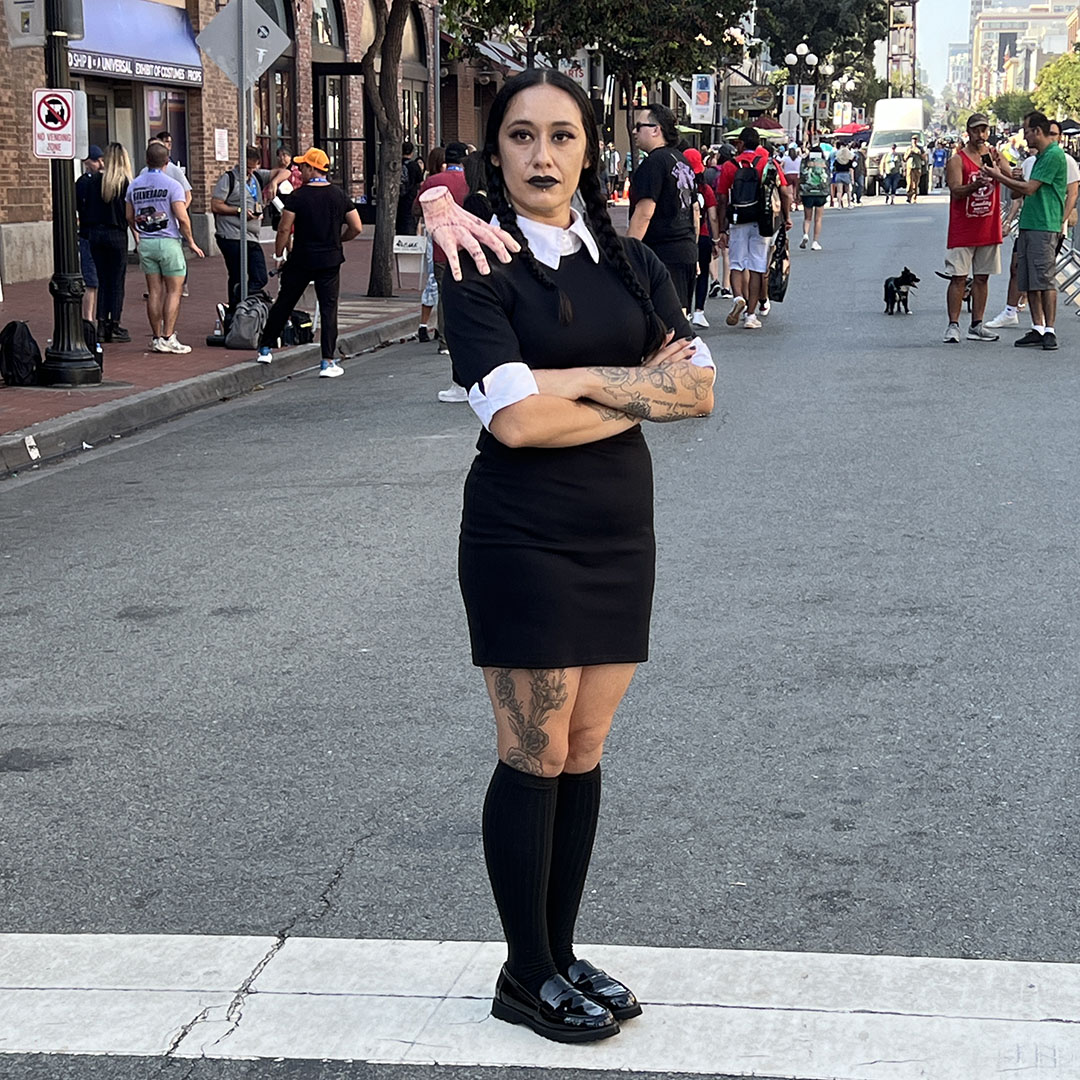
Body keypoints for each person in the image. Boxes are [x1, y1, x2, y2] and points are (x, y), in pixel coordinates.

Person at [421, 65, 714, 1047]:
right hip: (523, 537)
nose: (541, 155)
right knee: (533, 750)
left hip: (619, 533)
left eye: (561, 135)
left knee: (583, 748)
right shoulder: (478, 262)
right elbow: (514, 423)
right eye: (520, 136)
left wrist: (567, 386)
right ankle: (525, 971)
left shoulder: (631, 263)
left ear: (591, 150)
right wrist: (631, 384)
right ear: (495, 151)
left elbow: (699, 390)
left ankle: (561, 949)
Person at [256, 147, 363, 375]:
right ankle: (327, 361)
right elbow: (357, 226)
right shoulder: (339, 195)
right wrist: (339, 239)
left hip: (302, 258)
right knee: (328, 309)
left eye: (303, 166)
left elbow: (284, 228)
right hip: (330, 259)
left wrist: (278, 254)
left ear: (312, 168)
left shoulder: (298, 196)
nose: (299, 170)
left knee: (285, 302)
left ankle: (265, 348)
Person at [982, 112, 1069, 350]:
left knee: (1045, 280)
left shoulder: (1053, 155)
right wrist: (1008, 173)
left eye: (1027, 131)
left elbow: (1030, 189)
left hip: (1044, 224)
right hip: (1030, 223)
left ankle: (1049, 330)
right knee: (1029, 279)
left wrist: (998, 176)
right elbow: (1019, 191)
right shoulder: (1039, 157)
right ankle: (1037, 327)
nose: (1025, 136)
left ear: (1037, 131)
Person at [125, 140, 204, 353]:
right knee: (174, 291)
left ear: (146, 160)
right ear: (167, 162)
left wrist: (139, 232)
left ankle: (156, 337)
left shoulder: (134, 185)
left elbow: (129, 216)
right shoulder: (172, 185)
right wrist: (191, 241)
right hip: (169, 241)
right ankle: (168, 337)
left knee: (154, 291)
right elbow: (182, 217)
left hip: (146, 242)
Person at [626, 102, 698, 314]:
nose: (634, 131)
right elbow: (695, 210)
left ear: (656, 130)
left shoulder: (653, 163)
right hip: (686, 250)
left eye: (639, 126)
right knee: (680, 316)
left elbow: (644, 213)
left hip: (662, 253)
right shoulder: (682, 160)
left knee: (664, 321)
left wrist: (627, 253)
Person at [715, 126, 790, 329]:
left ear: (741, 143)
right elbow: (785, 192)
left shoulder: (730, 165)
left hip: (738, 219)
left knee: (736, 264)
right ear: (759, 143)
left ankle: (738, 297)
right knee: (757, 267)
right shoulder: (768, 164)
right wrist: (786, 217)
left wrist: (722, 228)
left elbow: (722, 198)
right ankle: (750, 315)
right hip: (762, 221)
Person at [942, 113, 1003, 344]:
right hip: (963, 229)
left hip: (988, 228)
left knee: (982, 278)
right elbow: (956, 190)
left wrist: (1003, 168)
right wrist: (975, 185)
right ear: (968, 132)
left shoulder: (993, 156)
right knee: (958, 278)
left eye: (984, 130)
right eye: (976, 130)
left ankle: (977, 325)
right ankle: (953, 325)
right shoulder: (957, 160)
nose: (981, 135)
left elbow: (1011, 178)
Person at [417, 141, 470, 400]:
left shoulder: (433, 181)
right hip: (470, 247)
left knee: (445, 295)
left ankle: (445, 342)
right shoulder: (470, 181)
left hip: (440, 248)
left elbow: (417, 208)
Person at [83, 142, 133, 344]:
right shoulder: (125, 183)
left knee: (102, 280)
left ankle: (101, 324)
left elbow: (85, 208)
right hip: (116, 233)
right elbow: (128, 214)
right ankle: (115, 324)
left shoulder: (93, 181)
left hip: (96, 234)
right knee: (116, 281)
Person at [211, 146, 272, 308]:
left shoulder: (256, 177)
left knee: (260, 276)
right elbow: (216, 205)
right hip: (232, 234)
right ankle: (235, 308)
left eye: (254, 167)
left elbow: (283, 172)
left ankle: (241, 301)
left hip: (251, 235)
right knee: (237, 275)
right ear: (241, 162)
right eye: (248, 167)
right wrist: (239, 211)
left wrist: (273, 184)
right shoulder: (229, 178)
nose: (251, 171)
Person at [685, 148, 719, 328]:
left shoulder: (679, 188)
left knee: (684, 275)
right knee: (703, 273)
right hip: (703, 235)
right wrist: (716, 239)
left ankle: (684, 311)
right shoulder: (705, 189)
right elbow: (713, 216)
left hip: (682, 236)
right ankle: (699, 311)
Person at [416, 146, 444, 343]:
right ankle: (427, 326)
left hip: (430, 233)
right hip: (437, 234)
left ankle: (424, 325)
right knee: (435, 279)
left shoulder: (428, 182)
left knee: (433, 278)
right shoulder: (436, 184)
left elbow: (418, 210)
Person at [75, 145, 104, 324]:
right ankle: (88, 319)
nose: (100, 164)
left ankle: (94, 318)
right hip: (88, 233)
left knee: (95, 279)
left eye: (101, 160)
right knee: (91, 279)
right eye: (96, 160)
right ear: (87, 162)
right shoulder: (83, 183)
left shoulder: (100, 180)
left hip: (94, 233)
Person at [799, 143, 830, 251]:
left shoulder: (805, 162)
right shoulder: (824, 162)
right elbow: (827, 176)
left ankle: (805, 234)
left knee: (807, 218)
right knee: (818, 219)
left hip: (807, 192)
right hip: (821, 192)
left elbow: (801, 176)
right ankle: (815, 242)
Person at [397, 141, 424, 234]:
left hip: (398, 197)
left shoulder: (397, 164)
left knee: (399, 222)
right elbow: (420, 182)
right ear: (412, 152)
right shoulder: (414, 165)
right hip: (411, 198)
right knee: (410, 222)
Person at [904, 136, 927, 203]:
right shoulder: (908, 148)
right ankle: (908, 196)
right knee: (909, 183)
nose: (914, 141)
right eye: (913, 139)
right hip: (909, 167)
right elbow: (904, 158)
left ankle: (914, 197)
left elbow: (924, 158)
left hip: (917, 167)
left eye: (915, 139)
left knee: (916, 183)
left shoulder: (920, 148)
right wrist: (909, 153)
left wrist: (919, 153)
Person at [831, 142, 854, 208]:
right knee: (848, 191)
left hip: (838, 175)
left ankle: (839, 205)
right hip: (846, 174)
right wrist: (852, 179)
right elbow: (851, 169)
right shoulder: (849, 160)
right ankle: (849, 204)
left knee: (839, 191)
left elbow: (834, 168)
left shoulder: (837, 160)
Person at [782, 144, 802, 209]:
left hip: (787, 175)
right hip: (797, 175)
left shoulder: (785, 158)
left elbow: (780, 165)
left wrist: (783, 171)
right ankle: (796, 205)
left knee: (789, 192)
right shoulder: (799, 159)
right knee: (796, 191)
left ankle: (790, 205)